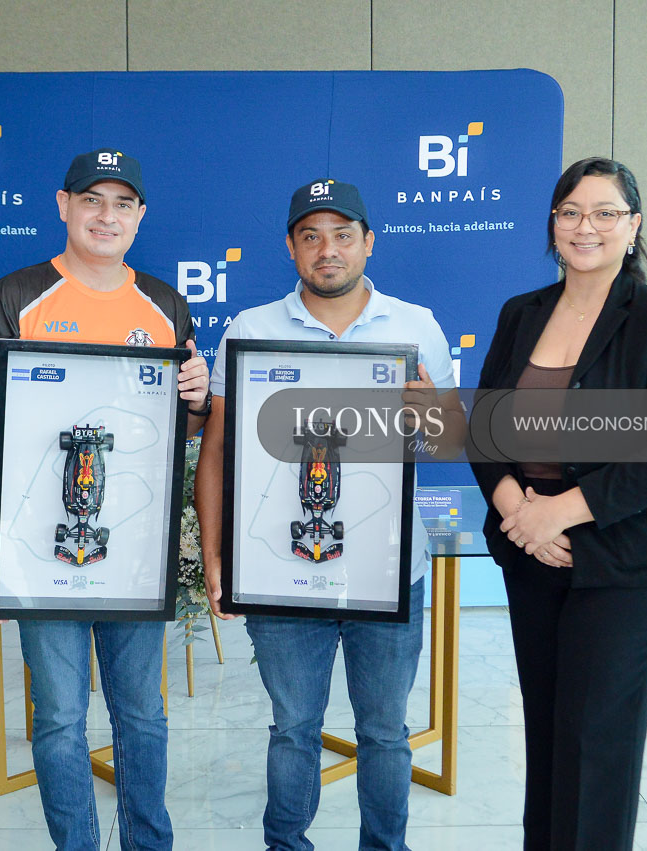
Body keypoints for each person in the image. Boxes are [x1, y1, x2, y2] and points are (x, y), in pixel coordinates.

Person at [195, 179, 464, 851]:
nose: (328, 250)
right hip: (279, 575)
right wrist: (216, 554)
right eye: (311, 236)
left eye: (343, 235)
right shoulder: (251, 329)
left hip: (390, 570)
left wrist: (431, 413)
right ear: (290, 247)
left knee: (384, 731)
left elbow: (450, 441)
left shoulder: (416, 325)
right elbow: (219, 449)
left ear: (368, 241)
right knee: (293, 729)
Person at [0, 148, 210, 850]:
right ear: (63, 205)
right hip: (39, 551)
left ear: (141, 215)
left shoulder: (164, 304)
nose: (106, 216)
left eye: (122, 203)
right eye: (91, 199)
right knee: (60, 719)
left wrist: (198, 400)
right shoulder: (15, 297)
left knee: (143, 716)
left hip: (135, 550)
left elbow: (183, 432)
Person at [469, 157, 647, 850]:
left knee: (595, 747)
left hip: (626, 563)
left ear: (633, 227)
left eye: (606, 212)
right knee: (547, 737)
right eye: (571, 211)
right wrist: (521, 515)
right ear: (553, 224)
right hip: (532, 555)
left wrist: (560, 511)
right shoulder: (522, 313)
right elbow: (486, 429)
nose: (586, 226)